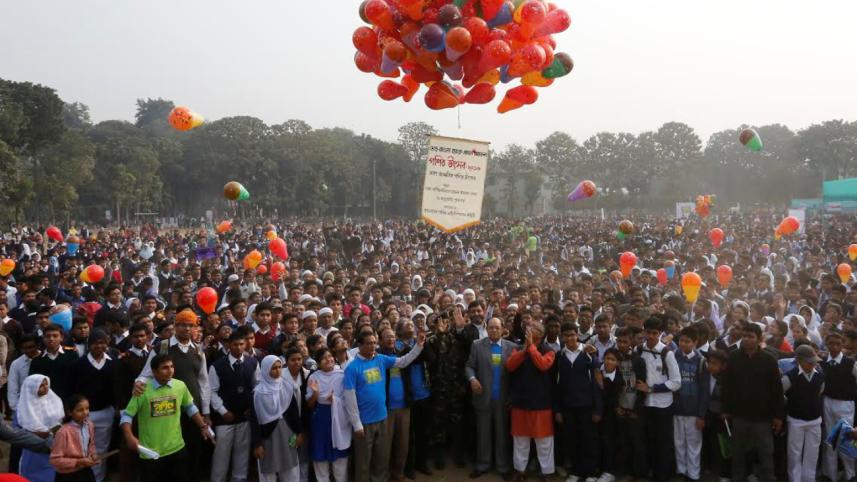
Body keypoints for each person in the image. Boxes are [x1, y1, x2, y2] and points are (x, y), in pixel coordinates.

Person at [343, 329, 425, 482]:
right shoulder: (352, 368)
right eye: (368, 344)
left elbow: (403, 361)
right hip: (364, 422)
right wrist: (357, 424)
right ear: (359, 345)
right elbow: (349, 398)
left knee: (381, 457)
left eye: (374, 343)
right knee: (363, 460)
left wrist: (418, 346)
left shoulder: (380, 359)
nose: (372, 346)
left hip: (382, 416)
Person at [120, 354, 214, 482]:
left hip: (177, 449)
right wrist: (129, 436)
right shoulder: (142, 390)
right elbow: (127, 416)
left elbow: (190, 407)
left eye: (171, 366)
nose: (170, 371)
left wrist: (203, 426)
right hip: (151, 453)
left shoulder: (180, 386)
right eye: (164, 368)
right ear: (154, 372)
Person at [722, 323, 784, 482]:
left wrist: (778, 416)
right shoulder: (734, 357)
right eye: (744, 336)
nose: (747, 339)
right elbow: (726, 386)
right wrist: (726, 410)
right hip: (739, 415)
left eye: (751, 337)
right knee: (738, 452)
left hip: (762, 417)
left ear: (759, 339)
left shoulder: (769, 360)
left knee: (765, 452)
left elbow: (777, 391)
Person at [465, 317, 516, 479]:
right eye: (491, 328)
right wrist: (472, 379)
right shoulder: (477, 345)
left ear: (502, 329)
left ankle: (503, 467)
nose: (494, 330)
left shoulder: (512, 347)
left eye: (497, 328)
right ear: (486, 329)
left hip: (503, 399)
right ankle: (482, 465)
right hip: (483, 397)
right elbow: (469, 366)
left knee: (502, 434)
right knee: (483, 433)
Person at [506, 322, 556, 482]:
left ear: (540, 334)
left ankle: (547, 473)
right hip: (520, 402)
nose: (528, 331)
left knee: (544, 441)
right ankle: (520, 471)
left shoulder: (549, 351)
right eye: (527, 329)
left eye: (532, 329)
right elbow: (510, 365)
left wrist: (531, 348)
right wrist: (525, 349)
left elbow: (542, 365)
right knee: (520, 440)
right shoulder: (519, 347)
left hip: (541, 404)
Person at [209, 331, 260, 482]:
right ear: (228, 346)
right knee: (221, 454)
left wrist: (252, 406)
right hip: (225, 418)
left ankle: (240, 479)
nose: (239, 348)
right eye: (235, 345)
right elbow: (211, 391)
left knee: (242, 453)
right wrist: (223, 411)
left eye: (241, 344)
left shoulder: (252, 362)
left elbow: (257, 386)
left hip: (245, 415)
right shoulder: (217, 365)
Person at [554, 322, 601, 481]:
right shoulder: (559, 356)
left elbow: (597, 382)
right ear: (563, 337)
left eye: (572, 335)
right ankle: (575, 472)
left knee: (588, 440)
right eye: (566, 335)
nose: (570, 338)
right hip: (568, 406)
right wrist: (558, 410)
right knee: (572, 440)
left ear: (577, 335)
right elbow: (557, 386)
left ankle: (590, 472)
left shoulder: (588, 352)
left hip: (586, 405)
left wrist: (597, 409)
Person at [636, 316, 681, 482]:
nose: (651, 336)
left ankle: (663, 476)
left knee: (663, 442)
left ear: (661, 333)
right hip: (644, 404)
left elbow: (676, 382)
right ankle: (647, 471)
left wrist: (652, 389)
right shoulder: (639, 350)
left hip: (663, 405)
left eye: (655, 333)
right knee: (647, 440)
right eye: (648, 332)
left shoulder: (667, 353)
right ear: (644, 331)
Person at [69, 329, 115, 482]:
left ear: (107, 344)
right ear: (89, 345)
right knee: (82, 448)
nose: (99, 346)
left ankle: (98, 478)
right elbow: (73, 388)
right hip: (84, 414)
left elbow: (116, 387)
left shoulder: (113, 363)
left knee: (101, 448)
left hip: (106, 412)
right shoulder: (78, 364)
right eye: (95, 343)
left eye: (102, 343)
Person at [251, 354, 301, 482]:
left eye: (280, 367)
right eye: (274, 368)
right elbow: (254, 421)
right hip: (267, 436)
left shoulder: (287, 387)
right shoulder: (258, 393)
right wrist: (257, 444)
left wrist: (299, 432)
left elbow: (294, 414)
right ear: (266, 369)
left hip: (287, 433)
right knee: (268, 472)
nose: (278, 371)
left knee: (291, 469)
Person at [781, 344, 824, 482]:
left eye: (814, 362)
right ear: (799, 361)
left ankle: (809, 479)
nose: (813, 364)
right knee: (794, 454)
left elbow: (820, 392)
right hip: (796, 420)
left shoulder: (820, 376)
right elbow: (779, 394)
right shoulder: (790, 377)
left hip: (815, 420)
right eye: (809, 362)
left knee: (812, 454)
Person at [671, 326, 709, 482]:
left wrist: (701, 414)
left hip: (693, 411)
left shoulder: (701, 361)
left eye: (687, 341)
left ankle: (693, 474)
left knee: (693, 443)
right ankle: (681, 470)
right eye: (681, 340)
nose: (683, 344)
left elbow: (704, 391)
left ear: (695, 342)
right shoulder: (673, 356)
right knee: (678, 441)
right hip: (676, 408)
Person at [306, 348, 350, 482]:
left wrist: (335, 400)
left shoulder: (342, 374)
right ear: (318, 363)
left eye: (330, 356)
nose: (329, 359)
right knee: (320, 455)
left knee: (340, 456)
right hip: (320, 419)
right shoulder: (314, 377)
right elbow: (310, 405)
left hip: (340, 418)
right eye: (324, 358)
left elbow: (350, 399)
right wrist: (315, 394)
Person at [820, 331, 857, 482]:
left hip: (845, 404)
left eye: (838, 344)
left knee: (845, 438)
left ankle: (850, 474)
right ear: (827, 344)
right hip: (828, 401)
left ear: (842, 345)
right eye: (831, 344)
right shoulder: (823, 362)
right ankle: (831, 474)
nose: (834, 347)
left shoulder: (851, 364)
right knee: (830, 438)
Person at [17, 374, 65, 482]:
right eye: (41, 385)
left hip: (54, 443)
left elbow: (60, 417)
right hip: (33, 446)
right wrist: (36, 433)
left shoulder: (53, 398)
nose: (45, 387)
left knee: (51, 471)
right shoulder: (23, 406)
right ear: (32, 388)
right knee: (32, 472)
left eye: (46, 384)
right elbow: (19, 430)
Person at [50, 394, 99, 482]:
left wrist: (93, 455)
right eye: (80, 410)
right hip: (68, 476)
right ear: (69, 412)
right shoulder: (63, 432)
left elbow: (91, 445)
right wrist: (78, 462)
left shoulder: (89, 425)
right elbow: (55, 460)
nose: (85, 412)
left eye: (87, 408)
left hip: (85, 471)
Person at [29, 323, 79, 399]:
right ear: (43, 338)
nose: (51, 338)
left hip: (68, 400)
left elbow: (77, 380)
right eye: (48, 336)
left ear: (61, 337)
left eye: (55, 336)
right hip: (45, 401)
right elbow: (33, 384)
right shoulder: (37, 360)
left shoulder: (72, 355)